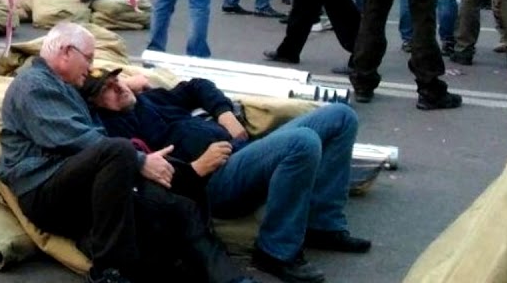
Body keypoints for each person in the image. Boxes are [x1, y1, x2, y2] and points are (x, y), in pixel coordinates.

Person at [0, 22, 252, 283]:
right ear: (65, 51)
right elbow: (75, 138)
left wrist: (129, 88)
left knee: (178, 208)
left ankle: (232, 280)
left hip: (77, 183)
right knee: (118, 149)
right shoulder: (33, 85)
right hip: (43, 187)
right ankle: (109, 270)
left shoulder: (66, 88)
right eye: (89, 58)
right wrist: (140, 161)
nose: (90, 66)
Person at [86, 69, 368, 283]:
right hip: (213, 181)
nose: (117, 88)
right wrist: (196, 167)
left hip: (241, 152)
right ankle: (276, 250)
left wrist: (225, 113)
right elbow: (151, 177)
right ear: (97, 105)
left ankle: (322, 225)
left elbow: (198, 85)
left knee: (342, 115)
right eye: (106, 91)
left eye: (117, 81)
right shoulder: (116, 132)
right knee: (302, 142)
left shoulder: (152, 98)